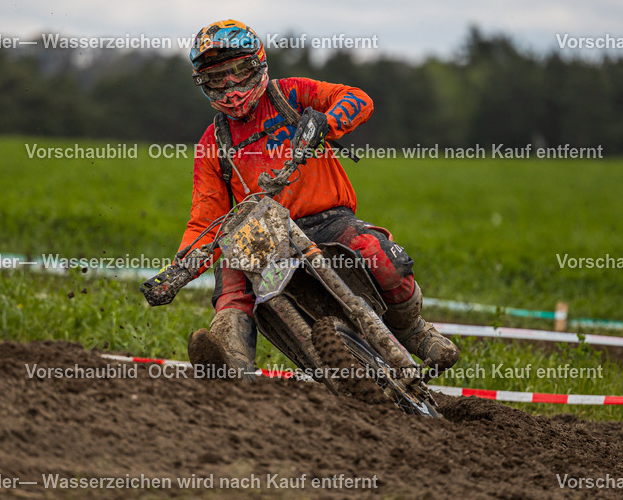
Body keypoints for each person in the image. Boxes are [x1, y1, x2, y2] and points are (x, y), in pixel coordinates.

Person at [179, 19, 459, 376]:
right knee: (232, 280)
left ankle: (414, 330)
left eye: (238, 72)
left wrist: (326, 122)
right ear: (204, 84)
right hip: (261, 236)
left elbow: (358, 99)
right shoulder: (214, 141)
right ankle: (230, 368)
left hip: (328, 219)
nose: (231, 86)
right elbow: (206, 219)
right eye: (218, 78)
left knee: (376, 252)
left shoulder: (291, 94)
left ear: (257, 63)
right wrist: (181, 267)